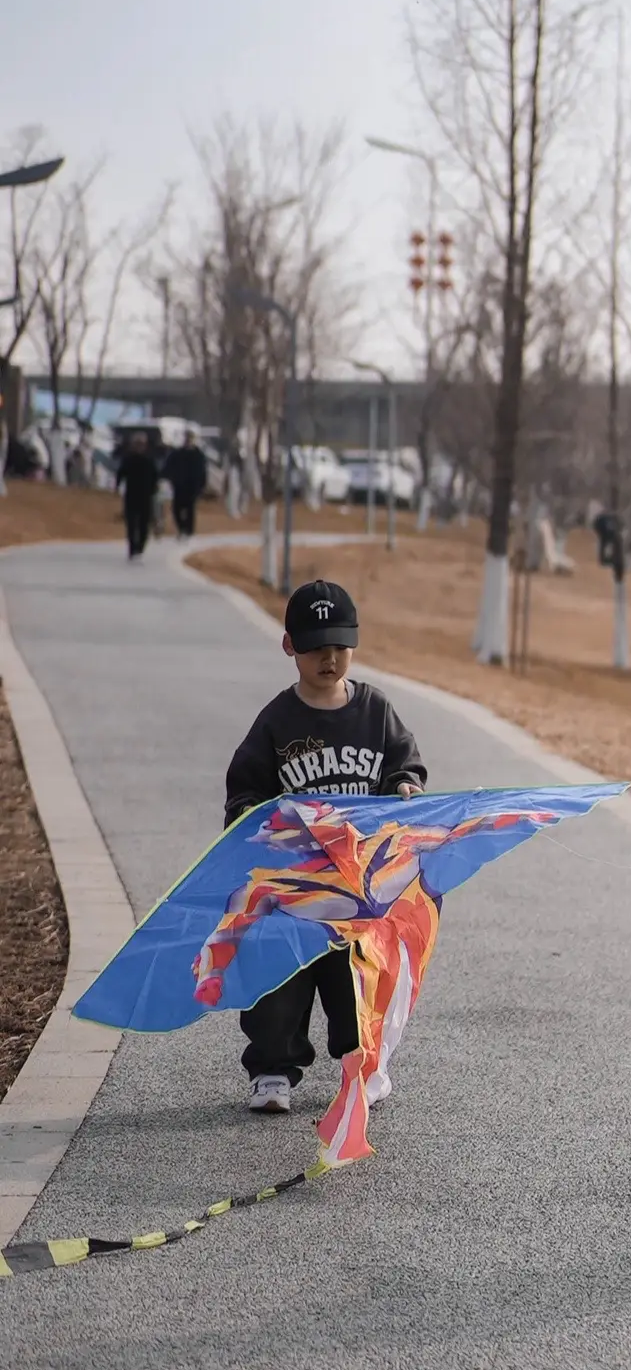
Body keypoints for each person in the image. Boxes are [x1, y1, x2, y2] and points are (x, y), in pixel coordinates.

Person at [223, 577, 427, 1114]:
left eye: (339, 645)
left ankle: (363, 1064)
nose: (329, 658)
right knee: (279, 979)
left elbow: (404, 763)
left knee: (355, 980)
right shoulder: (277, 720)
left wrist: (405, 786)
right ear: (290, 647)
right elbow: (245, 786)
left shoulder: (375, 712)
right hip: (292, 888)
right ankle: (271, 1070)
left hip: (355, 887)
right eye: (315, 647)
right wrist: (250, 814)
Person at [115, 430, 160, 559]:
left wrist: (155, 489)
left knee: (144, 524)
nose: (139, 446)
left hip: (146, 496)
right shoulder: (128, 459)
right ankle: (132, 547)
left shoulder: (149, 460)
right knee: (131, 523)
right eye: (137, 443)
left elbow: (155, 476)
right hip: (131, 495)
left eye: (141, 443)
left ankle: (140, 547)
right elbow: (121, 473)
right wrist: (117, 486)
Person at [163, 430, 208, 538]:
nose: (188, 440)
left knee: (190, 509)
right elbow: (168, 466)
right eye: (187, 437)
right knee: (176, 509)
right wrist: (168, 477)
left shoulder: (198, 455)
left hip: (193, 487)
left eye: (190, 438)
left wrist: (202, 485)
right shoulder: (177, 454)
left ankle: (189, 530)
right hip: (179, 486)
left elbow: (203, 471)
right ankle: (182, 528)